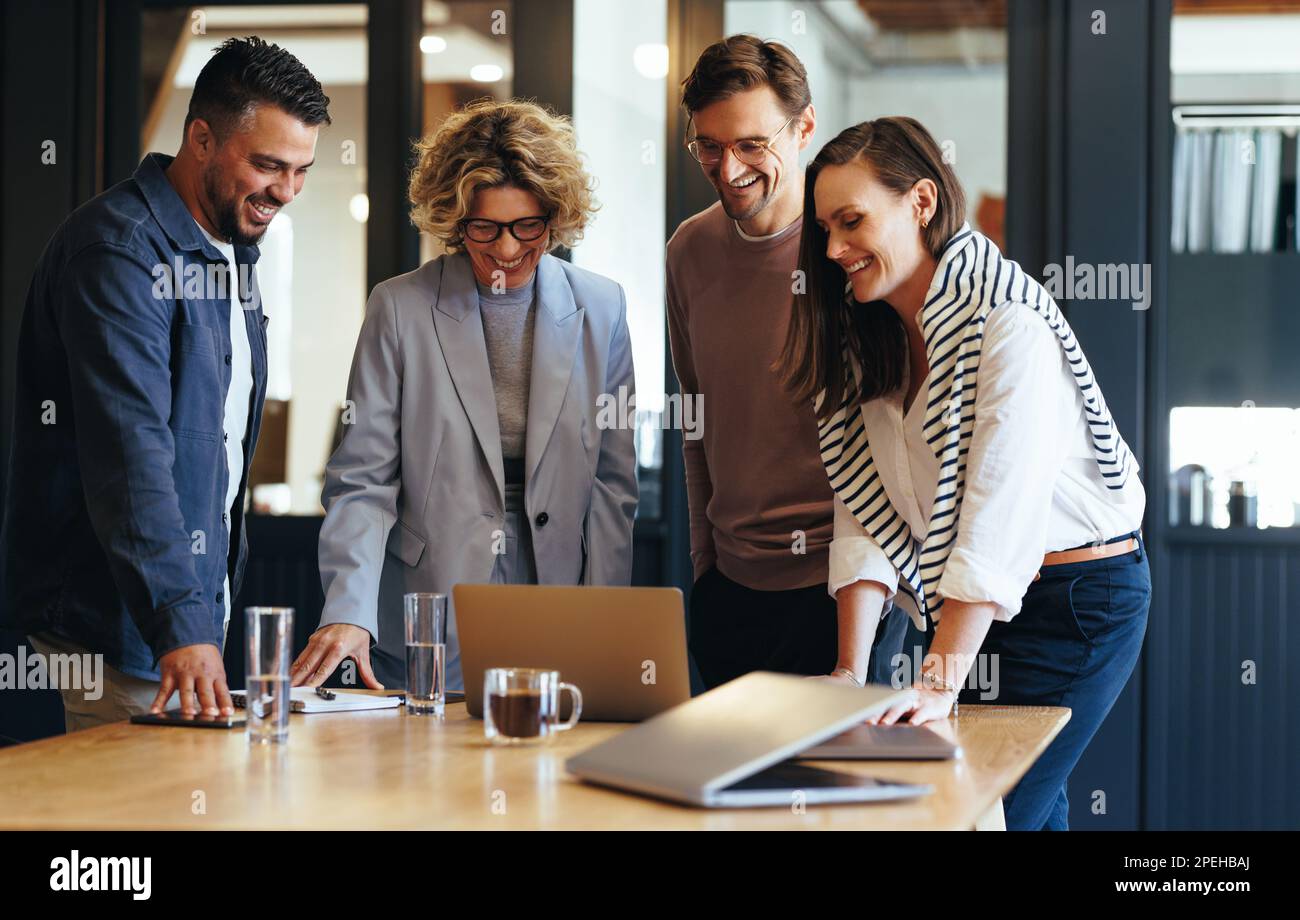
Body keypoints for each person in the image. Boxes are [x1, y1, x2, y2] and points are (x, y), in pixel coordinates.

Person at [777, 116, 1150, 830]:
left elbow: (997, 513)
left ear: (921, 202)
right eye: (824, 229)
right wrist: (850, 673)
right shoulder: (875, 341)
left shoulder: (1008, 322)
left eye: (851, 221)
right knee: (1021, 814)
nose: (833, 249)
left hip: (1079, 603)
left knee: (978, 809)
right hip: (975, 610)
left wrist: (940, 678)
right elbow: (861, 511)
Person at [0, 37, 329, 730]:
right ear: (201, 138)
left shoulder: (232, 253)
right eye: (268, 164)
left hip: (177, 625)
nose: (286, 191)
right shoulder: (117, 251)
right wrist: (182, 625)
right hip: (107, 635)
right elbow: (131, 455)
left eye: (301, 170)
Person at [294, 99, 638, 692]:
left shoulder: (602, 308)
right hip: (430, 587)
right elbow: (363, 479)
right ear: (454, 219)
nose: (506, 249)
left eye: (526, 226)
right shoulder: (398, 307)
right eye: (484, 228)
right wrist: (349, 609)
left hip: (555, 580)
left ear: (556, 217)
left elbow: (613, 484)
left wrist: (604, 621)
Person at [666, 35, 908, 691]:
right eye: (708, 146)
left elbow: (894, 437)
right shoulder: (688, 250)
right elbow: (696, 420)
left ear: (804, 127)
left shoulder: (852, 251)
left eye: (750, 144)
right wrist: (703, 567)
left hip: (843, 592)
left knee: (833, 791)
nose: (728, 167)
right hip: (730, 593)